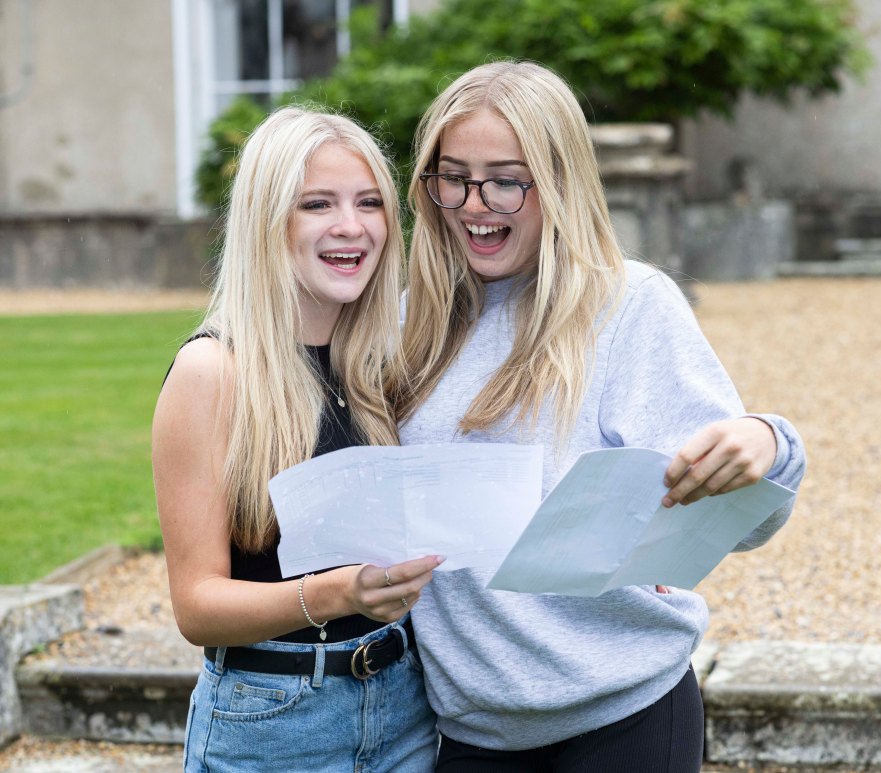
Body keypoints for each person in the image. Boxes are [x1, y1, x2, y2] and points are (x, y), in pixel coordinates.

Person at [391, 61, 807, 772]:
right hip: (471, 731)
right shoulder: (405, 319)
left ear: (559, 182)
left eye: (505, 179)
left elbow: (747, 517)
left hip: (624, 716)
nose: (472, 202)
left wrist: (766, 442)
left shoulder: (627, 305)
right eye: (451, 176)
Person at [152, 106, 443, 773]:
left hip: (406, 706)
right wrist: (340, 593)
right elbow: (196, 605)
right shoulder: (212, 370)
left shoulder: (374, 365)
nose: (352, 226)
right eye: (318, 203)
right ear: (267, 219)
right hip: (274, 719)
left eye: (370, 202)